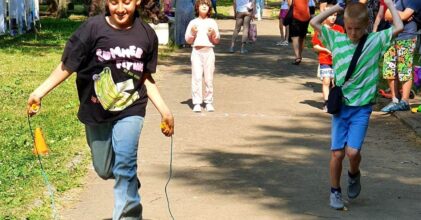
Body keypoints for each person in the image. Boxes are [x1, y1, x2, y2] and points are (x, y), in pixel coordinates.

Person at [26, 0, 175, 219]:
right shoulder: (92, 29)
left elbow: (145, 77)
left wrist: (165, 110)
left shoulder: (146, 35)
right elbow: (68, 65)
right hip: (96, 111)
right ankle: (128, 181)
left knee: (125, 164)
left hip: (130, 108)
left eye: (127, 2)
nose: (121, 9)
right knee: (104, 169)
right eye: (115, 2)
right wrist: (39, 92)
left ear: (137, 1)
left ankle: (128, 211)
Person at [310, 0, 403, 210]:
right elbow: (314, 21)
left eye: (358, 29)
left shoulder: (375, 41)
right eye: (349, 28)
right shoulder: (336, 38)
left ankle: (353, 173)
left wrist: (389, 4)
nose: (353, 33)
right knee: (337, 153)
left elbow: (398, 27)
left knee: (352, 153)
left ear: (367, 26)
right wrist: (337, 8)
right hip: (341, 107)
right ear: (344, 25)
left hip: (361, 108)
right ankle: (335, 191)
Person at [380, 0, 421, 112]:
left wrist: (394, 14)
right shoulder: (397, 1)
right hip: (391, 36)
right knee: (389, 68)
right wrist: (396, 15)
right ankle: (395, 99)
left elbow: (402, 16)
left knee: (404, 69)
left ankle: (404, 101)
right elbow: (387, 15)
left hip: (407, 36)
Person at [185, 0, 220, 112]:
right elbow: (188, 40)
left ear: (209, 8)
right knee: (196, 77)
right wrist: (192, 32)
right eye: (202, 4)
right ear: (197, 7)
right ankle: (197, 102)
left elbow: (216, 40)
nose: (204, 6)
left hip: (208, 52)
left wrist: (213, 34)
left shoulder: (212, 22)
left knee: (209, 78)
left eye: (207, 5)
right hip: (196, 52)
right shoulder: (193, 23)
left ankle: (208, 101)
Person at [311, 4, 344, 112]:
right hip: (325, 60)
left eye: (335, 15)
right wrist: (326, 50)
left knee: (336, 82)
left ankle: (335, 101)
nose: (333, 17)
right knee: (326, 81)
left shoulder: (339, 29)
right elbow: (315, 47)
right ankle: (326, 102)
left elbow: (343, 43)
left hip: (337, 61)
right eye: (330, 15)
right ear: (324, 16)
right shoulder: (320, 29)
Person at [288, 0, 310, 65]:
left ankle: (297, 56)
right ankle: (299, 55)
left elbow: (289, 3)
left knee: (295, 37)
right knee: (302, 37)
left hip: (296, 15)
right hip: (306, 15)